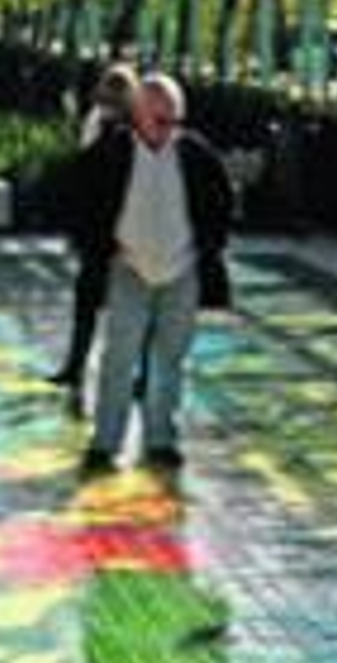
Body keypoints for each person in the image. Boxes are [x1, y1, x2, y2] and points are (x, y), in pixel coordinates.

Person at [64, 72, 233, 482]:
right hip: (130, 266)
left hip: (180, 268)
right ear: (139, 113)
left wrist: (206, 250)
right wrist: (99, 248)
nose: (168, 129)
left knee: (168, 360)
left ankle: (161, 439)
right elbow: (76, 197)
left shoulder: (194, 155)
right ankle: (106, 443)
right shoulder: (113, 151)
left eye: (175, 120)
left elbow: (221, 202)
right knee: (119, 358)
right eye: (161, 120)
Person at [45, 61, 138, 413]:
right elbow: (82, 175)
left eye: (119, 89)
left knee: (130, 306)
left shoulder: (132, 130)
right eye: (109, 88)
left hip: (123, 228)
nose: (112, 95)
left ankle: (130, 374)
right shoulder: (98, 121)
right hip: (98, 228)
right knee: (88, 300)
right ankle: (75, 367)